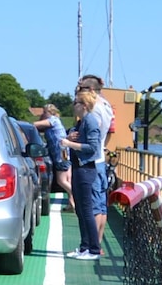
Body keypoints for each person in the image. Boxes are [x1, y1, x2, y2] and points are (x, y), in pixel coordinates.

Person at [61, 86, 110, 258]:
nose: (73, 106)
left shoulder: (90, 122)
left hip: (86, 169)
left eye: (76, 103)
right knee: (81, 210)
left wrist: (69, 144)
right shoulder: (81, 122)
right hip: (78, 168)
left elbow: (93, 147)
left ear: (83, 105)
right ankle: (84, 247)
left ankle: (94, 249)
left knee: (87, 210)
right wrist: (70, 138)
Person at [30, 103, 69, 207]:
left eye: (44, 112)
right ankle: (72, 204)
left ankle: (76, 195)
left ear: (49, 112)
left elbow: (34, 124)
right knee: (67, 180)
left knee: (61, 181)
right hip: (63, 153)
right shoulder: (55, 122)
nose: (43, 114)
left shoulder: (53, 120)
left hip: (60, 155)